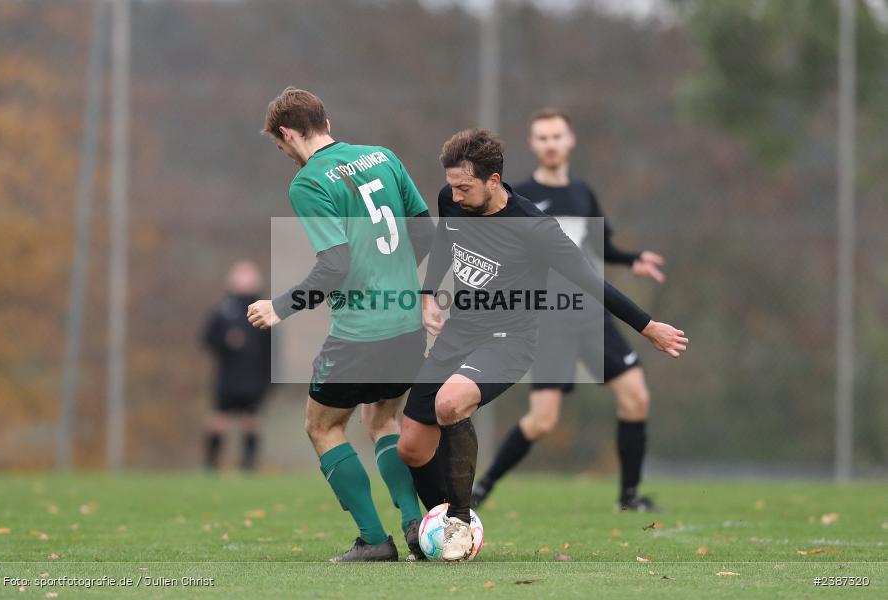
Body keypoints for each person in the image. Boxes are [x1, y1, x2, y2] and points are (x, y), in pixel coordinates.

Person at [396, 129, 688, 561]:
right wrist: (426, 294)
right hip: (459, 333)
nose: (454, 195)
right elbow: (445, 242)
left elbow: (592, 282)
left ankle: (459, 522)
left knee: (449, 403)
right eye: (452, 185)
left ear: (493, 181)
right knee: (412, 447)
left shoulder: (534, 228)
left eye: (465, 186)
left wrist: (648, 327)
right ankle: (441, 527)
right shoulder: (450, 199)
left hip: (508, 342)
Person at [247, 87, 435, 562]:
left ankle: (374, 540)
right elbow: (424, 229)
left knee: (322, 426)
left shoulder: (309, 182)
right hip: (407, 324)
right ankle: (416, 526)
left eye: (280, 145)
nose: (285, 154)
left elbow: (334, 265)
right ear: (325, 121)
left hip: (361, 334)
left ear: (288, 133)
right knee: (383, 418)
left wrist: (281, 307)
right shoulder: (382, 156)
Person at [472, 108, 667, 512]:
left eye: (557, 136)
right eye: (542, 137)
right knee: (543, 420)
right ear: (533, 144)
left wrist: (633, 259)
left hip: (592, 317)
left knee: (636, 397)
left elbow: (600, 248)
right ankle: (483, 486)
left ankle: (628, 498)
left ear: (570, 140)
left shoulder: (582, 192)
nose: (551, 144)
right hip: (550, 318)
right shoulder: (516, 195)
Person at [202, 260, 272, 472]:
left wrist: (270, 380)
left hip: (254, 377)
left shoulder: (263, 308)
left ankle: (248, 466)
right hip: (228, 376)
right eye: (241, 275)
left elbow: (271, 348)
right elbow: (207, 338)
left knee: (251, 421)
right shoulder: (223, 308)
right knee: (218, 420)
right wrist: (226, 340)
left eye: (249, 275)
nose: (245, 280)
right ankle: (211, 465)